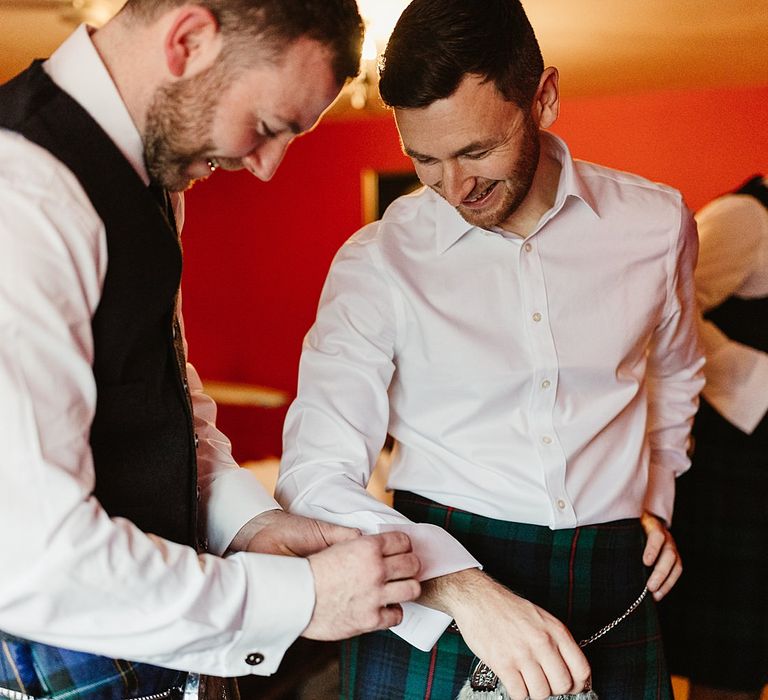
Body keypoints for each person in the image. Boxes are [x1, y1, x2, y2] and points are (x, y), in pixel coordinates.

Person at [275, 0, 706, 697]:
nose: (456, 186)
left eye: (477, 151)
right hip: (433, 580)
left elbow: (678, 370)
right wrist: (464, 589)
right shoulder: (376, 261)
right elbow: (313, 478)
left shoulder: (658, 225)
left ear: (544, 97)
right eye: (425, 160)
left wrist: (651, 495)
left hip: (609, 577)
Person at [0, 2, 423, 699]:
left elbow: (164, 393)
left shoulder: (154, 180)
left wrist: (248, 523)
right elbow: (33, 555)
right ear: (189, 39)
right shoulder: (25, 194)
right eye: (265, 128)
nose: (263, 169)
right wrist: (298, 599)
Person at [660, 176, 768, 700]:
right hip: (737, 461)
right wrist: (755, 381)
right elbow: (672, 304)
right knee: (731, 648)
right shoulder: (744, 217)